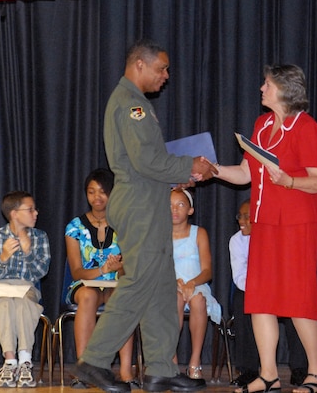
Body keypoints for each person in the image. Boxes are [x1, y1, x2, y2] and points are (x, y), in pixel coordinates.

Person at [75, 39, 216, 393]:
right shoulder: (131, 105)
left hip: (148, 199)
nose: (166, 76)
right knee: (139, 283)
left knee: (158, 286)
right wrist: (189, 164)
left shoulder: (134, 103)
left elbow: (150, 164)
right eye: (161, 69)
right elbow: (146, 161)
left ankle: (159, 368)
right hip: (140, 204)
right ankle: (93, 360)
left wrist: (177, 173)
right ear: (139, 64)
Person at [213, 64, 317, 393]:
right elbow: (245, 174)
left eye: (267, 84)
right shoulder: (261, 125)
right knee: (260, 298)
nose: (261, 89)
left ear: (284, 89)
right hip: (263, 223)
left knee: (297, 297)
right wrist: (214, 170)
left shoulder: (307, 128)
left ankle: (316, 371)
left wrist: (289, 180)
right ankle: (268, 374)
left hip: (296, 224)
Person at [65, 168, 136, 388]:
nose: (97, 197)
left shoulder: (126, 224)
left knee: (124, 297)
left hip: (115, 285)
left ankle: (125, 372)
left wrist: (120, 267)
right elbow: (76, 271)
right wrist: (103, 269)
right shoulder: (74, 227)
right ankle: (83, 368)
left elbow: (129, 270)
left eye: (103, 192)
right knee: (87, 295)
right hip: (85, 284)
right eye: (91, 192)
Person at [229, 199, 308, 387]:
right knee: (242, 300)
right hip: (255, 288)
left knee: (295, 302)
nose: (242, 221)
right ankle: (249, 370)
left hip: (280, 287)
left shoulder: (278, 236)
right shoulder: (236, 240)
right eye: (239, 216)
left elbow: (290, 269)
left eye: (247, 217)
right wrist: (259, 287)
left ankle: (300, 369)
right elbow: (239, 276)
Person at [0, 191, 51, 388]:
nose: (36, 213)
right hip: (0, 289)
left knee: (23, 304)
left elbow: (41, 272)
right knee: (4, 304)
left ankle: (25, 361)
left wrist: (28, 251)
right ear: (14, 213)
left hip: (26, 287)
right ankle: (10, 361)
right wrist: (3, 256)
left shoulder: (40, 237)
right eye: (30, 209)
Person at [171, 189, 222, 379]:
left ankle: (195, 361)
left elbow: (207, 271)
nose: (174, 209)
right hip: (169, 285)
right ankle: (171, 359)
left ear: (190, 210)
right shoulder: (159, 234)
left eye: (180, 205)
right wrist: (175, 282)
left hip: (196, 284)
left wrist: (191, 283)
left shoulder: (199, 233)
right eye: (170, 205)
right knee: (174, 299)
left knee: (198, 301)